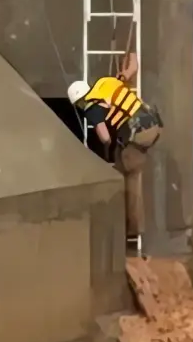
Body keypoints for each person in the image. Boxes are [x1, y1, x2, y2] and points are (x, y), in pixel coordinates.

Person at [67, 53, 163, 251]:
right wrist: (128, 62)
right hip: (153, 125)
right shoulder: (106, 83)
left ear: (79, 101)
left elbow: (105, 137)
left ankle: (130, 230)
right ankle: (132, 227)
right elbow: (133, 66)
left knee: (122, 178)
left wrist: (107, 142)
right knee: (126, 160)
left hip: (139, 134)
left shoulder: (91, 107)